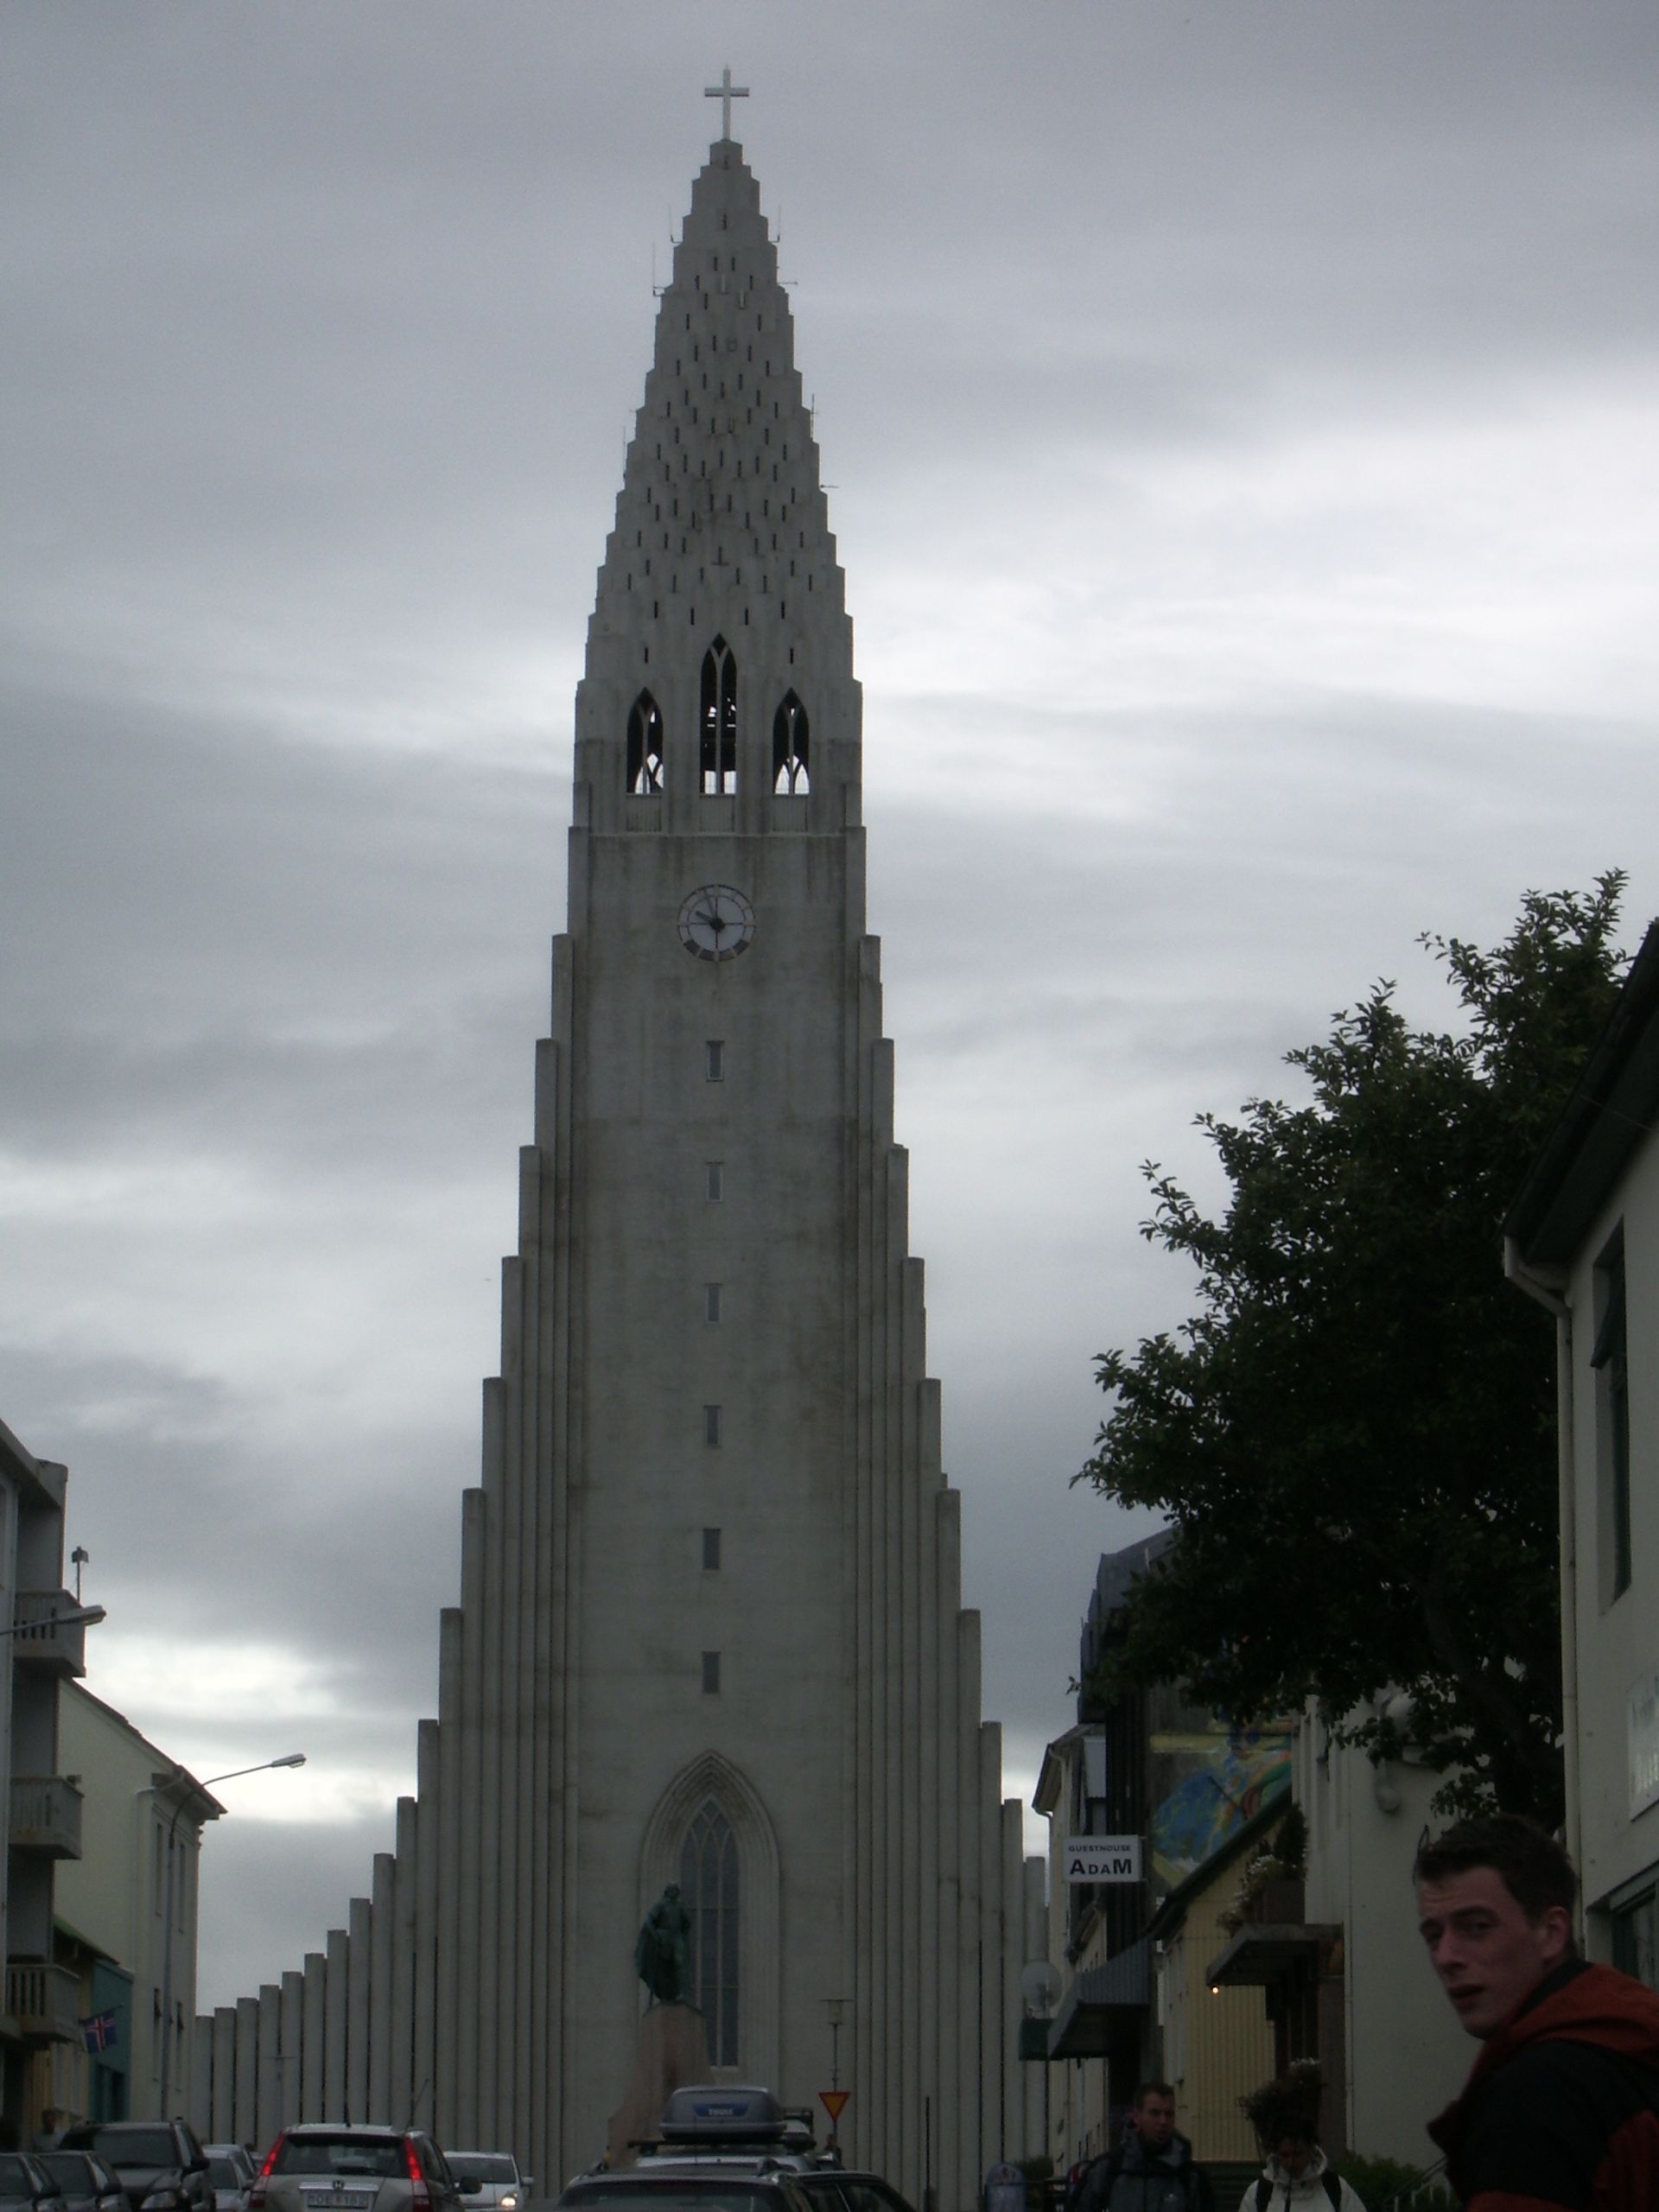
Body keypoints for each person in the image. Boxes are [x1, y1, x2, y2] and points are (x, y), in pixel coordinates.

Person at [1416, 1812, 1659, 2209]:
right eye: (1433, 1935)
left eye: (1476, 1926)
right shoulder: (1629, 2052)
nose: (1446, 1957)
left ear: (1551, 1932)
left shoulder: (1535, 2098)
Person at [1071, 2081, 1215, 2212]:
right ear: (1137, 2116)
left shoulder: (1191, 2179)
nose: (1163, 2121)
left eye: (1169, 2114)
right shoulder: (1106, 2172)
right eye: (1155, 2113)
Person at [1236, 2069, 1364, 2210]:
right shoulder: (1259, 2194)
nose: (1291, 2162)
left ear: (1310, 2149)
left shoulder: (1336, 2190)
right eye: (1285, 2155)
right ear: (1276, 2153)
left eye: (1298, 2153)